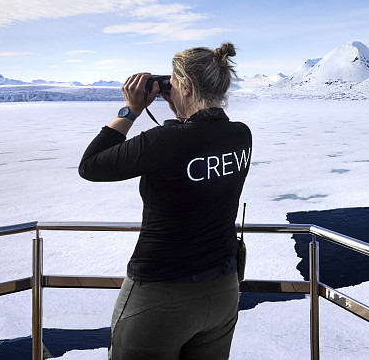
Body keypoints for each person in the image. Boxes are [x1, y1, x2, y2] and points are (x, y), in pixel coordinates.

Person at [78, 43, 251, 360]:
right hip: (223, 291)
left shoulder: (164, 141)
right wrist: (183, 108)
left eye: (173, 84)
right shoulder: (241, 136)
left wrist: (130, 110)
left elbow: (90, 166)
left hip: (160, 296)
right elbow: (199, 137)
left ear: (184, 86)